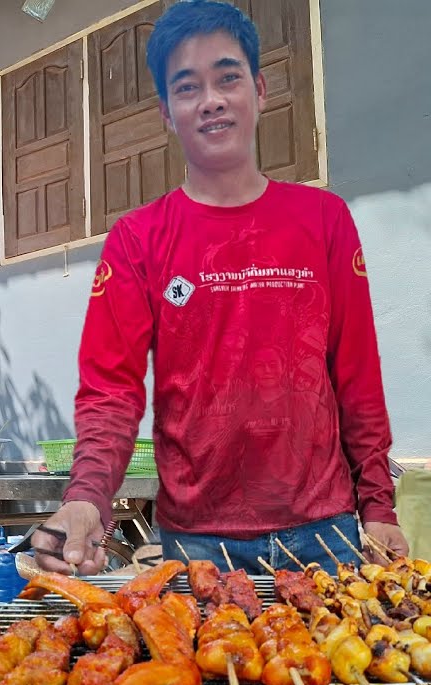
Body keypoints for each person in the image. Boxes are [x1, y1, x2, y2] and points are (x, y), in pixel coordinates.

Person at [34, 0, 409, 576]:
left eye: (227, 77)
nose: (211, 99)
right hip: (197, 542)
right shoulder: (137, 239)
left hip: (324, 533)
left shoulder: (324, 219)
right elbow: (110, 390)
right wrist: (87, 498)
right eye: (188, 87)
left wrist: (378, 505)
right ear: (167, 111)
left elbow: (357, 372)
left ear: (258, 90)